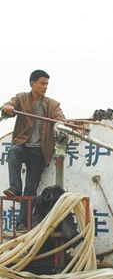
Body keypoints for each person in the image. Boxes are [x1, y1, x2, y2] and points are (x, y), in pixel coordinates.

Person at [1, 70, 66, 231]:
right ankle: (14, 187)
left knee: (30, 189)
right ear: (32, 83)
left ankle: (22, 223)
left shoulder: (52, 104)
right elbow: (9, 106)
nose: (45, 87)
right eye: (42, 83)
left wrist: (60, 124)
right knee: (14, 151)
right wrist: (7, 108)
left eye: (47, 84)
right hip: (23, 145)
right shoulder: (21, 98)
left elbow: (60, 117)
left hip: (40, 151)